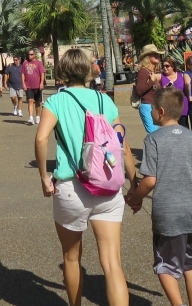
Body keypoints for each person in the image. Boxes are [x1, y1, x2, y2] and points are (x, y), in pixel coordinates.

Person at [35, 49, 136, 306]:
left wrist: (44, 177)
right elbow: (121, 145)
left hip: (72, 187)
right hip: (108, 187)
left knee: (71, 258)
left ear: (62, 72)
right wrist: (134, 181)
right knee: (112, 263)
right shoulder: (105, 101)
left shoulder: (55, 102)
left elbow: (41, 138)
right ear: (89, 71)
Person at [126, 87, 192, 306]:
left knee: (165, 265)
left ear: (160, 111)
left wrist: (135, 198)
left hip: (168, 215)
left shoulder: (154, 140)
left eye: (151, 110)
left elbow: (150, 180)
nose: (150, 113)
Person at [133, 46, 162, 134]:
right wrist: (152, 81)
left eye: (157, 54)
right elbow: (139, 90)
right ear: (147, 57)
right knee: (153, 134)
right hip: (147, 106)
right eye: (154, 54)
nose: (157, 56)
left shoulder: (151, 72)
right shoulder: (143, 71)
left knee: (156, 134)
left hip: (154, 106)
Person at [160, 57, 192, 130]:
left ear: (173, 66)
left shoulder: (182, 75)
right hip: (169, 108)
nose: (165, 68)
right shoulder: (161, 76)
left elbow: (189, 85)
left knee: (184, 128)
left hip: (182, 107)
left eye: (167, 66)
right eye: (163, 66)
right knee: (171, 129)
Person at [22, 49, 47, 124]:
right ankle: (31, 118)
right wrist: (23, 83)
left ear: (34, 55)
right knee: (30, 101)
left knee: (37, 102)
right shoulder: (25, 63)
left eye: (31, 54)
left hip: (37, 86)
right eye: (29, 54)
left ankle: (38, 117)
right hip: (29, 86)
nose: (30, 56)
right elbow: (22, 73)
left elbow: (42, 73)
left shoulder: (38, 63)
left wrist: (42, 83)